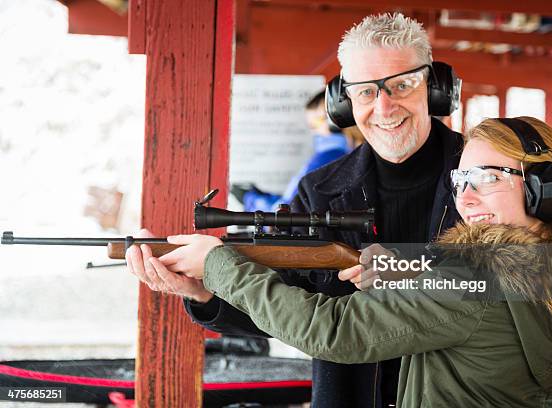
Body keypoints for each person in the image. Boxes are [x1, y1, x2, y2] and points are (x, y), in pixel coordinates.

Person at [128, 117, 552, 407]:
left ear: (542, 189)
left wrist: (220, 266)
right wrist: (405, 270)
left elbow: (330, 332)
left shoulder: (471, 282)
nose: (465, 195)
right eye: (461, 178)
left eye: (486, 177)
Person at [128, 12, 464, 407]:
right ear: (343, 102)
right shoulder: (321, 189)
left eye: (402, 85)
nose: (384, 107)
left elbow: (538, 276)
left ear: (437, 88)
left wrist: (408, 267)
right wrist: (205, 292)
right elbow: (285, 307)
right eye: (365, 92)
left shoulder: (488, 177)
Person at [234, 90, 352, 212]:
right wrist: (264, 197)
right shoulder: (342, 153)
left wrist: (250, 199)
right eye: (312, 126)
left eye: (318, 121)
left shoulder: (328, 157)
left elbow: (287, 212)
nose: (315, 131)